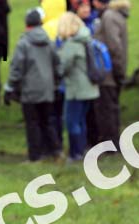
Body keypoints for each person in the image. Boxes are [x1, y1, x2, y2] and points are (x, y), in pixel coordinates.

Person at [4, 8, 61, 161]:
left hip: (30, 90)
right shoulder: (49, 42)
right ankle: (54, 150)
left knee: (32, 123)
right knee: (47, 121)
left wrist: (10, 87)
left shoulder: (24, 43)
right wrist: (55, 83)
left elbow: (17, 67)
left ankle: (35, 155)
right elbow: (57, 64)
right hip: (48, 89)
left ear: (27, 24)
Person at [57, 12, 99, 161]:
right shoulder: (86, 39)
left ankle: (76, 153)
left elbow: (63, 67)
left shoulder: (72, 44)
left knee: (72, 121)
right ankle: (82, 150)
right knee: (81, 120)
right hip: (90, 88)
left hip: (76, 90)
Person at [93, 0, 129, 149]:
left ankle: (110, 144)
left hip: (108, 73)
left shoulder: (108, 16)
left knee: (107, 110)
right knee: (111, 108)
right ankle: (112, 142)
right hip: (114, 71)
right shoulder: (117, 16)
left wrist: (118, 71)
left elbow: (114, 46)